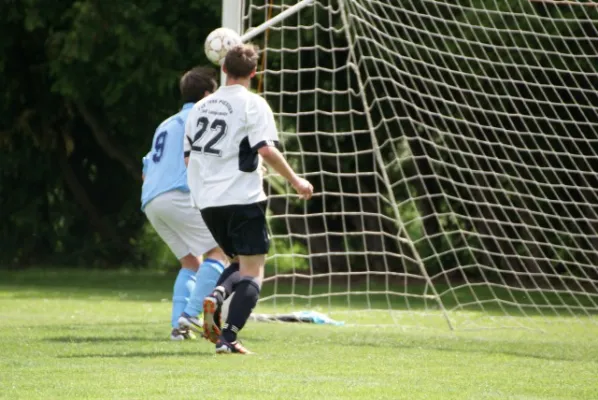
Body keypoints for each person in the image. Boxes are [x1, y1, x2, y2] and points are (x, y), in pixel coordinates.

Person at [184, 44, 314, 354]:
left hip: (207, 201)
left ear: (224, 70)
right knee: (254, 271)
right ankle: (228, 338)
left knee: (237, 263)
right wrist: (295, 180)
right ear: (254, 73)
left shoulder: (199, 107)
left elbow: (189, 158)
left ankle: (216, 296)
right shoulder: (254, 105)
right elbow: (265, 149)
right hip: (242, 197)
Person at [141, 66, 228, 341]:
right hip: (178, 193)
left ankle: (178, 330)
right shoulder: (202, 116)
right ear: (206, 95)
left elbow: (146, 167)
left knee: (190, 262)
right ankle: (191, 315)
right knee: (219, 252)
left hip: (151, 199)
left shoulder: (166, 123)